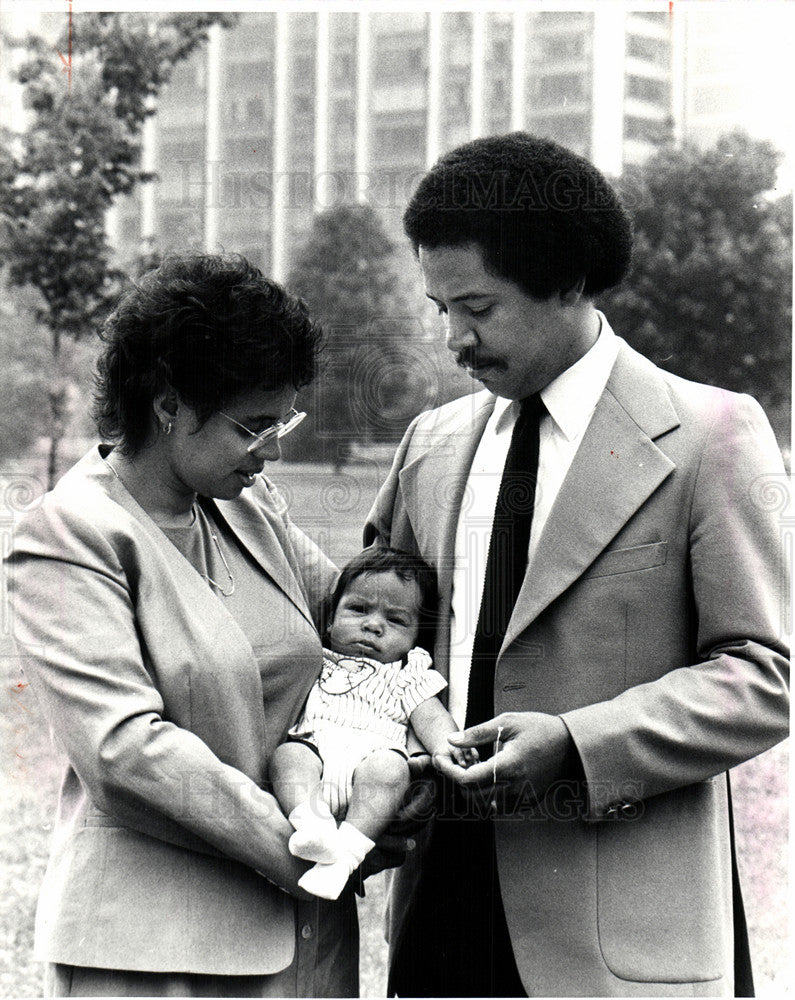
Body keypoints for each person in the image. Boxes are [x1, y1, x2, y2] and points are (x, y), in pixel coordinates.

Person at [364, 133, 790, 998]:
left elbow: (763, 677)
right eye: (439, 307)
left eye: (476, 307)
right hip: (438, 913)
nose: (454, 340)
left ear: (567, 281)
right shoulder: (430, 445)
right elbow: (370, 642)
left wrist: (574, 744)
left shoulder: (712, 437)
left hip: (616, 941)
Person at [7, 253, 359, 997]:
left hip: (307, 944)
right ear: (168, 404)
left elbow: (353, 620)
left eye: (282, 420)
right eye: (253, 425)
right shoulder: (69, 533)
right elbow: (123, 750)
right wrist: (310, 852)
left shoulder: (246, 504)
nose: (273, 449)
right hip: (157, 957)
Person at [270, 546, 474, 901]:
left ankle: (345, 855)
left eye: (395, 620)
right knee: (288, 756)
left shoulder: (407, 674)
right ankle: (312, 827)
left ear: (415, 637)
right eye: (359, 609)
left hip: (372, 768)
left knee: (391, 769)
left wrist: (450, 747)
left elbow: (430, 716)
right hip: (315, 752)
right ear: (331, 618)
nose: (373, 625)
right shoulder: (316, 659)